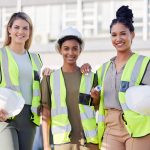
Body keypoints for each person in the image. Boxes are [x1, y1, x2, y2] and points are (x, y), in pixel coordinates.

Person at [96, 5, 150, 150]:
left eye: (123, 34)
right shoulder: (104, 68)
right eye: (114, 35)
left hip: (138, 129)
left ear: (132, 35)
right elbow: (95, 101)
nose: (118, 39)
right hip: (111, 127)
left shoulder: (144, 63)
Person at [41, 27, 99, 150]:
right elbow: (46, 113)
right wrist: (46, 145)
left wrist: (96, 98)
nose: (70, 53)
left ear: (80, 51)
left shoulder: (90, 77)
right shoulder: (49, 78)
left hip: (89, 141)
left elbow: (96, 105)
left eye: (75, 48)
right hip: (63, 142)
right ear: (60, 50)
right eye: (66, 48)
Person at [0, 12, 42, 150]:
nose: (21, 31)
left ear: (30, 32)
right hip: (5, 116)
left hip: (29, 117)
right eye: (17, 27)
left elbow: (40, 87)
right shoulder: (1, 55)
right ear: (9, 30)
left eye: (25, 28)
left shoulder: (37, 59)